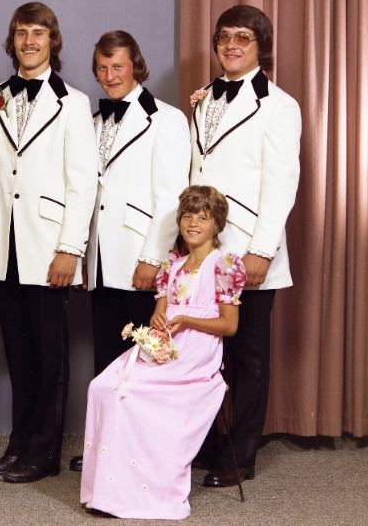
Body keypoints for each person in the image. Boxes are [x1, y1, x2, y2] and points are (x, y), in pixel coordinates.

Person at [0, 2, 98, 483]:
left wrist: (70, 249)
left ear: (53, 40)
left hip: (48, 245)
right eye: (21, 33)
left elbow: (83, 182)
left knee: (51, 355)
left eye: (38, 33)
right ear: (12, 41)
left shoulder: (73, 103)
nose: (29, 41)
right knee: (19, 353)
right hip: (0, 243)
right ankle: (20, 443)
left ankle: (45, 453)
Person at [80, 185, 246, 520]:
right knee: (104, 386)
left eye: (203, 217)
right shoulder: (173, 266)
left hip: (195, 355)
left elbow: (229, 326)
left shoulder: (224, 264)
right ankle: (112, 491)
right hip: (166, 347)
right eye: (188, 215)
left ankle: (145, 493)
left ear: (217, 224)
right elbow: (162, 312)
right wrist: (159, 320)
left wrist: (187, 318)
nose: (193, 223)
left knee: (134, 392)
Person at [189, 5, 301, 487]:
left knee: (249, 356)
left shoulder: (280, 106)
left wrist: (263, 250)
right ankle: (214, 443)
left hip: (249, 250)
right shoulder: (203, 98)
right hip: (202, 250)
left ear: (260, 46)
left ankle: (242, 455)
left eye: (243, 37)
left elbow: (282, 184)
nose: (231, 44)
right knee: (205, 349)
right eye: (224, 36)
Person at [71, 30, 190, 472]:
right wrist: (85, 258)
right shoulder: (95, 122)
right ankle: (108, 447)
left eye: (117, 66)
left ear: (135, 65)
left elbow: (172, 197)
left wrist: (152, 258)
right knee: (108, 357)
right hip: (103, 260)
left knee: (146, 359)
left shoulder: (168, 119)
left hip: (141, 259)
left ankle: (144, 452)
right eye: (101, 68)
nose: (109, 76)